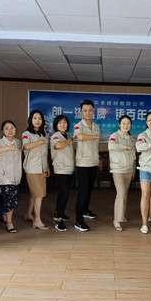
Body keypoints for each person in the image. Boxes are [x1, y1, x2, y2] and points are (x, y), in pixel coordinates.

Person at [73, 99, 100, 232]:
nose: (88, 113)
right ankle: (78, 220)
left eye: (90, 110)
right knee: (83, 191)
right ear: (81, 112)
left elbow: (95, 142)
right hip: (83, 163)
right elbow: (79, 137)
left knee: (89, 189)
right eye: (85, 110)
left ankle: (85, 211)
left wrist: (92, 136)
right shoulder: (78, 125)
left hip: (93, 162)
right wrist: (93, 136)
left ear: (93, 111)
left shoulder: (96, 126)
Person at [0, 120, 22, 233]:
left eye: (12, 128)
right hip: (4, 177)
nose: (10, 130)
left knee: (8, 199)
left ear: (15, 130)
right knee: (10, 200)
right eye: (7, 128)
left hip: (16, 176)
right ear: (3, 131)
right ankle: (9, 223)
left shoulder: (18, 142)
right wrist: (7, 148)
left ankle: (4, 216)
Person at [22, 110, 50, 230]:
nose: (37, 120)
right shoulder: (26, 133)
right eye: (35, 118)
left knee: (34, 194)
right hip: (32, 168)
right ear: (31, 120)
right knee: (39, 194)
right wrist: (38, 142)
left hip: (42, 168)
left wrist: (47, 167)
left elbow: (45, 153)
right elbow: (25, 146)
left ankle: (28, 214)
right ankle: (37, 221)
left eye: (40, 118)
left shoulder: (44, 134)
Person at [108, 115, 136, 231]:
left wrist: (133, 169)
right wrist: (125, 147)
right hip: (118, 169)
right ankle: (116, 219)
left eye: (128, 123)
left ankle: (122, 215)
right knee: (121, 193)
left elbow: (134, 156)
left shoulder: (132, 138)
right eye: (123, 123)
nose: (126, 125)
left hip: (128, 169)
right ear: (119, 124)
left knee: (125, 194)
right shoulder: (114, 136)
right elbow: (111, 146)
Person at [50, 115, 74, 232]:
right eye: (60, 123)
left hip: (69, 169)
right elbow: (58, 145)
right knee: (64, 192)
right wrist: (69, 141)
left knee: (65, 193)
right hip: (60, 169)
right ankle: (58, 218)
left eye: (64, 122)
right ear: (56, 125)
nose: (63, 125)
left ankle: (60, 213)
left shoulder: (67, 136)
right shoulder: (55, 136)